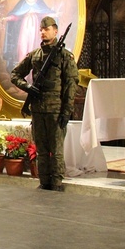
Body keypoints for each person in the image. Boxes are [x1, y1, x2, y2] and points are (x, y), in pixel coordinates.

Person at [11, 16, 78, 191]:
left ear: (55, 31)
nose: (43, 32)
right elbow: (15, 75)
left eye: (46, 29)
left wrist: (66, 111)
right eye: (41, 29)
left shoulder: (64, 56)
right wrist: (27, 87)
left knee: (56, 151)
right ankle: (44, 180)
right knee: (41, 150)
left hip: (56, 110)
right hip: (38, 109)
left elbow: (71, 85)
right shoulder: (35, 55)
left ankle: (56, 182)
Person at [1, 0, 56, 71]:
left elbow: (44, 13)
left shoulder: (39, 1)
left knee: (34, 47)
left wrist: (53, 14)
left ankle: (33, 74)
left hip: (36, 27)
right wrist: (7, 18)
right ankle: (23, 72)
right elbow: (16, 15)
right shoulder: (23, 1)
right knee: (23, 47)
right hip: (25, 28)